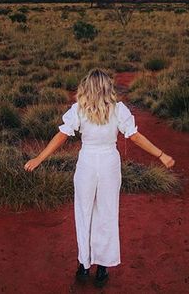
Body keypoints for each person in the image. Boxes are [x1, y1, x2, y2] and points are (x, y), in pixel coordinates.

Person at [24, 68, 175, 287]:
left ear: (86, 87)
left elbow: (62, 135)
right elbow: (134, 136)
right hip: (109, 165)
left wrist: (39, 158)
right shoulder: (118, 110)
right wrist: (160, 155)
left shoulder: (79, 110)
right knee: (107, 213)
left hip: (86, 163)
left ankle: (84, 265)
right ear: (108, 88)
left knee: (84, 213)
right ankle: (102, 267)